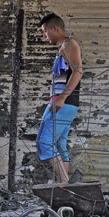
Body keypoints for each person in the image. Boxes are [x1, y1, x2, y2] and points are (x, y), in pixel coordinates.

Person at [36, 13, 83, 184]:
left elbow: (78, 72)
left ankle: (64, 182)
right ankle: (64, 184)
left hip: (64, 102)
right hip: (66, 103)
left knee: (44, 142)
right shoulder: (63, 47)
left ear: (55, 28)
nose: (45, 35)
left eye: (45, 31)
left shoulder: (69, 44)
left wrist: (61, 99)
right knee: (60, 143)